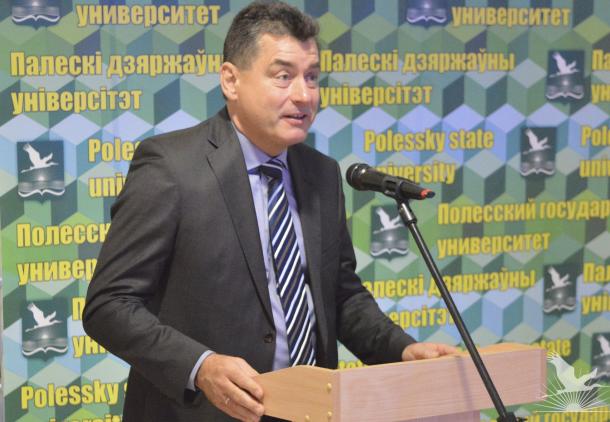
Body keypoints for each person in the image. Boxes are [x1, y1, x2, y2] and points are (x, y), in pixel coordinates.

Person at [83, 1, 457, 421]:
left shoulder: (321, 174)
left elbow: (339, 296)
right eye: (283, 76)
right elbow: (109, 305)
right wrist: (200, 366)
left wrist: (402, 349)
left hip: (308, 410)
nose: (304, 95)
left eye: (311, 77)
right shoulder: (172, 167)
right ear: (231, 81)